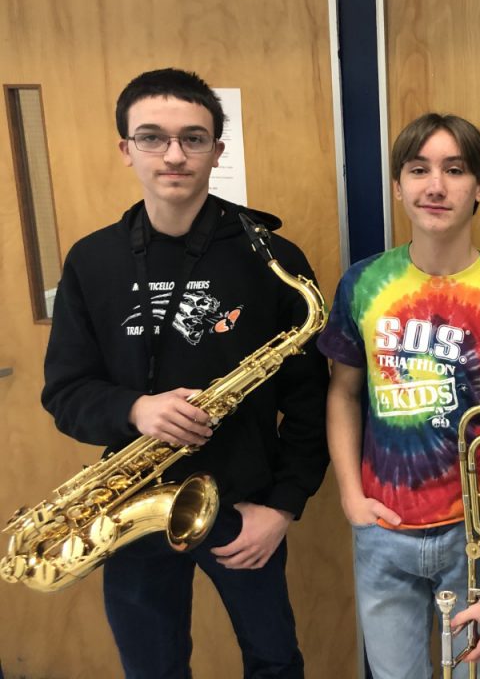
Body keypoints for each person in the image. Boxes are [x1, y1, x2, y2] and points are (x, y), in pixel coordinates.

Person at [42, 68, 329, 678]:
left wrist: (282, 506)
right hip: (130, 504)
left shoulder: (272, 257)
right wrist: (134, 409)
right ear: (126, 149)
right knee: (152, 668)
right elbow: (64, 392)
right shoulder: (92, 260)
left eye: (193, 138)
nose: (174, 154)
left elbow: (311, 400)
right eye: (152, 137)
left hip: (243, 503)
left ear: (217, 150)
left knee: (275, 661)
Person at [318, 113, 480, 679]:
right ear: (398, 186)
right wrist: (352, 498)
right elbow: (344, 395)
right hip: (381, 531)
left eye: (454, 169)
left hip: (472, 544)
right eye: (418, 169)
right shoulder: (363, 284)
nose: (436, 186)